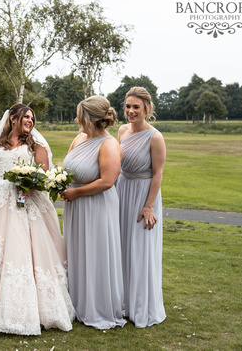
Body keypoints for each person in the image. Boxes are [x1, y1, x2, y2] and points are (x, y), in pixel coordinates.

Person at [0, 103, 75, 335]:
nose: (30, 121)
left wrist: (30, 186)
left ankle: (30, 309)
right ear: (12, 118)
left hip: (23, 203)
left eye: (32, 118)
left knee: (21, 250)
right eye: (26, 117)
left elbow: (43, 173)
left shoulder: (37, 145)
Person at [60, 95, 126, 330]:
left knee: (95, 251)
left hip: (96, 205)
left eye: (80, 115)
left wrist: (76, 193)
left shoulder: (109, 145)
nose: (76, 119)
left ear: (90, 118)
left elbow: (107, 181)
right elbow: (67, 168)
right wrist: (61, 184)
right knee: (76, 250)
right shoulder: (79, 138)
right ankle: (76, 301)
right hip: (75, 205)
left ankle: (96, 305)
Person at [116, 87, 167, 328]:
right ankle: (123, 302)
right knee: (122, 247)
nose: (130, 111)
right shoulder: (122, 131)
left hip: (144, 195)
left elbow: (158, 174)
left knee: (140, 250)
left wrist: (149, 207)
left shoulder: (155, 137)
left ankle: (141, 307)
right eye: (128, 106)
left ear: (147, 108)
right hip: (122, 190)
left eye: (136, 106)